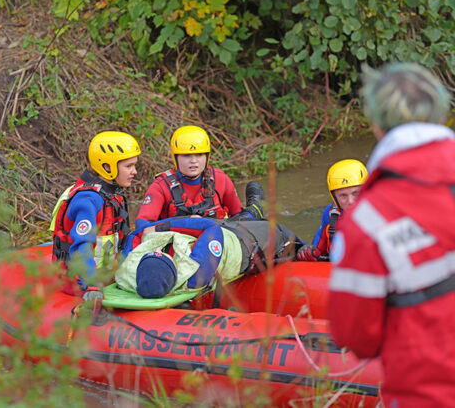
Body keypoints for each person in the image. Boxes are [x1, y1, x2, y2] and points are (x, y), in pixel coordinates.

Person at [327, 63, 455, 407]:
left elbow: (354, 336)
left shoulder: (367, 219)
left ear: (376, 125)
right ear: (441, 110)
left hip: (429, 391)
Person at [115, 215, 299, 298]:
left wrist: (148, 231)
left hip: (213, 234)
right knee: (280, 232)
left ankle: (251, 212)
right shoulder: (196, 273)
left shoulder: (127, 275)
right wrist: (159, 228)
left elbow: (136, 233)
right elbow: (210, 228)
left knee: (230, 220)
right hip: (241, 247)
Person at [52, 131, 140, 302]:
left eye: (134, 165)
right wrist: (92, 284)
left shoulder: (113, 195)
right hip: (78, 282)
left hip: (105, 276)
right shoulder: (87, 201)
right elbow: (81, 247)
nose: (134, 172)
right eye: (128, 166)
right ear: (107, 167)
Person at [135, 125, 264, 230]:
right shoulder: (161, 186)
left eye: (199, 155)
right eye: (186, 156)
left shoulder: (220, 179)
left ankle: (255, 208)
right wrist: (185, 222)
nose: (194, 161)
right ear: (176, 158)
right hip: (178, 247)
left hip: (218, 244)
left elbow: (237, 214)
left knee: (249, 217)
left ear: (206, 157)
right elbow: (142, 224)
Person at [297, 159, 368, 261]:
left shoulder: (384, 213)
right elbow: (316, 250)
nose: (351, 201)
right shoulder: (330, 216)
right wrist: (307, 252)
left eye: (356, 193)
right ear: (334, 197)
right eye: (343, 195)